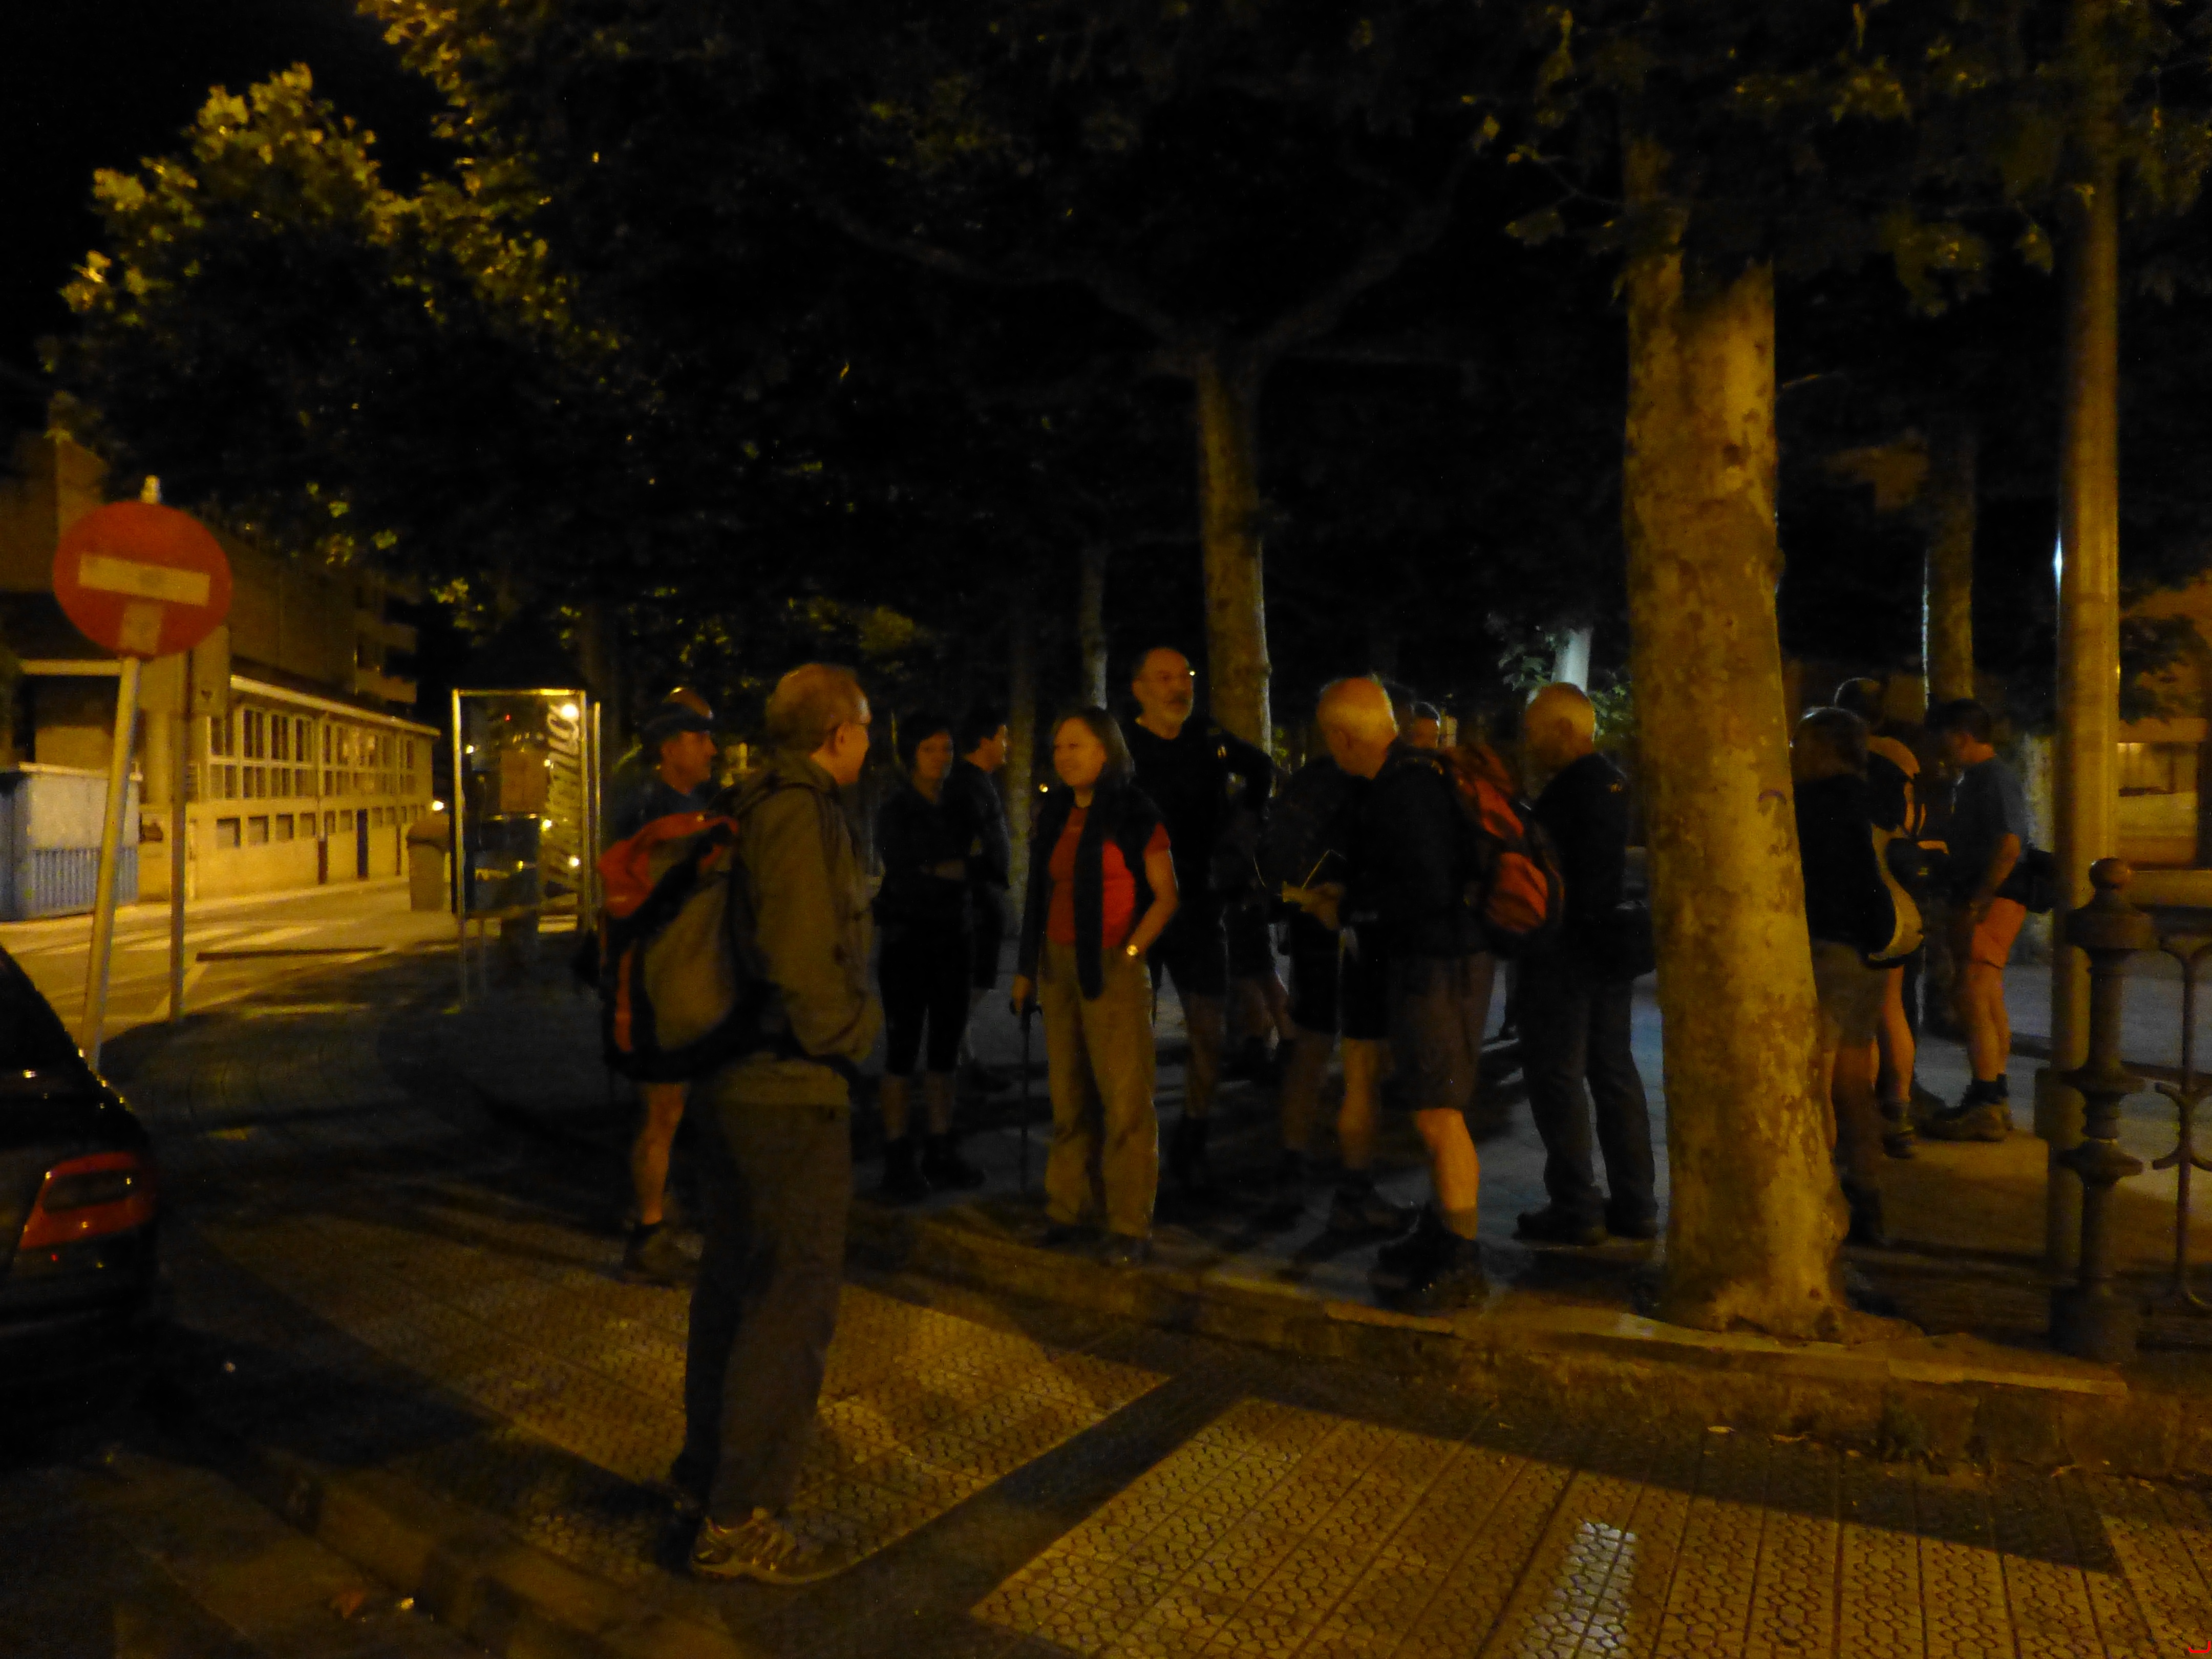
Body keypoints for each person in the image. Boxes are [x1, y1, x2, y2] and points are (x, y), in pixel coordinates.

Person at [682, 664, 880, 1585]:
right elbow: (804, 960)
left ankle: (703, 1480)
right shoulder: (801, 812)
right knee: (789, 1304)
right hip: (789, 1088)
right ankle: (743, 1515)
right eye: (866, 725)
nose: (870, 740)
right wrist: (856, 1037)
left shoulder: (749, 801)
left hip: (733, 1078)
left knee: (733, 1286)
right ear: (838, 733)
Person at [1324, 677, 1494, 1311]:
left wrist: (1352, 907)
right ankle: (1443, 1236)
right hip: (1440, 961)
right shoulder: (1413, 778)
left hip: (1438, 965)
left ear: (1343, 737)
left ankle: (1462, 1258)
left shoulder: (1404, 791)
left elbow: (1425, 889)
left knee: (1440, 1115)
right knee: (1433, 1109)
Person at [1011, 710, 1179, 1266]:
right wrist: (1027, 968)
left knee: (1125, 1099)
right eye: (1058, 747)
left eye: (1075, 746)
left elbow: (1166, 896)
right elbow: (1040, 894)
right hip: (1058, 965)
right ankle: (1068, 1208)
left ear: (1106, 751)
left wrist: (1130, 952)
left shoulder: (1133, 812)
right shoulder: (1057, 812)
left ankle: (1129, 1223)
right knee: (1068, 1094)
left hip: (1110, 962)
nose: (1063, 757)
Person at [1124, 647, 1274, 1200]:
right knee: (1131, 1033)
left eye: (1185, 675)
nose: (1178, 686)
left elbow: (1261, 769)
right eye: (1163, 678)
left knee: (1207, 1031)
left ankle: (1193, 1139)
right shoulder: (1124, 746)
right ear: (1139, 689)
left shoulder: (1208, 736)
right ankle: (1131, 1144)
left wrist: (1241, 830)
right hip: (1138, 908)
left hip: (1200, 905)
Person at [1513, 684, 1657, 1247]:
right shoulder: (1613, 782)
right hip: (1608, 952)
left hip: (1567, 952)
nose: (1528, 743)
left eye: (1534, 732)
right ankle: (1636, 1202)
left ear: (1563, 730)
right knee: (1613, 1071)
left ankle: (1576, 1204)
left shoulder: (1570, 791)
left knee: (1559, 1076)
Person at [1260, 744, 1408, 1237]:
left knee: (1309, 1047)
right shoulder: (1372, 779)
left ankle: (1290, 1171)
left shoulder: (1311, 777)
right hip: (1355, 925)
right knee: (1364, 1063)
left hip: (1309, 919)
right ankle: (1355, 1193)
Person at [616, 695, 721, 1287]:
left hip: (686, 977)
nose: (712, 749)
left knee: (676, 1106)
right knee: (662, 1107)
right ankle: (648, 1232)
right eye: (700, 738)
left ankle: (660, 1204)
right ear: (670, 747)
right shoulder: (650, 812)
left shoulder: (692, 804)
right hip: (657, 981)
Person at [871, 712, 986, 1201]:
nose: (941, 758)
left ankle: (941, 1145)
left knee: (944, 1048)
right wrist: (945, 868)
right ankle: (897, 1154)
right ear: (911, 756)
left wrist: (939, 868)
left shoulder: (961, 804)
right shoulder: (897, 809)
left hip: (954, 937)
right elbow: (902, 868)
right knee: (902, 1050)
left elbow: (984, 862)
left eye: (947, 748)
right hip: (907, 938)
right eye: (930, 749)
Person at [1793, 706, 1898, 1245]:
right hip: (1870, 950)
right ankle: (1867, 1193)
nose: (1794, 753)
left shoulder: (1814, 802)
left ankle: (1817, 1197)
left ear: (1823, 748)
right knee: (1854, 1083)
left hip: (1827, 946)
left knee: (1816, 1077)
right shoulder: (1874, 797)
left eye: (1801, 743)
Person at [1834, 677, 1935, 1158]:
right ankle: (1900, 1109)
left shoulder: (1844, 762)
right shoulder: (1903, 760)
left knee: (1861, 1018)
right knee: (1892, 1007)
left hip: (1863, 903)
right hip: (1903, 900)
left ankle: (1862, 1119)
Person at [1922, 698, 2030, 1142]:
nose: (1938, 748)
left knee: (1972, 992)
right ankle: (1994, 1095)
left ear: (1960, 736)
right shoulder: (1984, 777)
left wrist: (1980, 898)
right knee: (1985, 994)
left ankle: (1985, 1099)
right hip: (1992, 895)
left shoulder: (1990, 778)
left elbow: (2009, 844)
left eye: (1942, 738)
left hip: (1990, 898)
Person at [944, 707, 1014, 1095]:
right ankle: (956, 1062)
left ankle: (963, 1060)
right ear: (985, 740)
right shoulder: (965, 786)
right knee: (972, 982)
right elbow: (962, 844)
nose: (1008, 745)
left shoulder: (977, 783)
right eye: (1003, 736)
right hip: (975, 899)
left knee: (974, 982)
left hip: (981, 895)